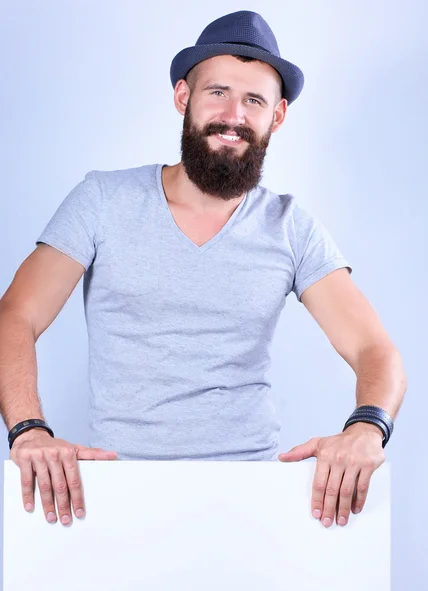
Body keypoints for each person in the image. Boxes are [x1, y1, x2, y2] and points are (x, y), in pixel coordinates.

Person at [0, 11, 406, 531]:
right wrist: (29, 431)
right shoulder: (103, 199)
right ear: (182, 97)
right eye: (217, 92)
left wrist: (367, 427)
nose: (233, 114)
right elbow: (17, 314)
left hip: (250, 496)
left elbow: (377, 351)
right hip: (113, 494)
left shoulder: (290, 225)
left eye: (254, 100)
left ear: (277, 117)